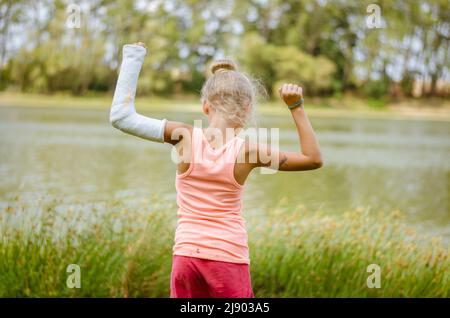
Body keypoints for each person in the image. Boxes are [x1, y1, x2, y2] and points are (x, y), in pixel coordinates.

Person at [110, 42, 323, 298]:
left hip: (186, 256)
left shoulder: (183, 136)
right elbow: (312, 159)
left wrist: (134, 57)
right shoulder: (248, 152)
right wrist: (296, 107)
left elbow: (121, 117)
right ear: (247, 109)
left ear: (205, 106)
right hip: (228, 258)